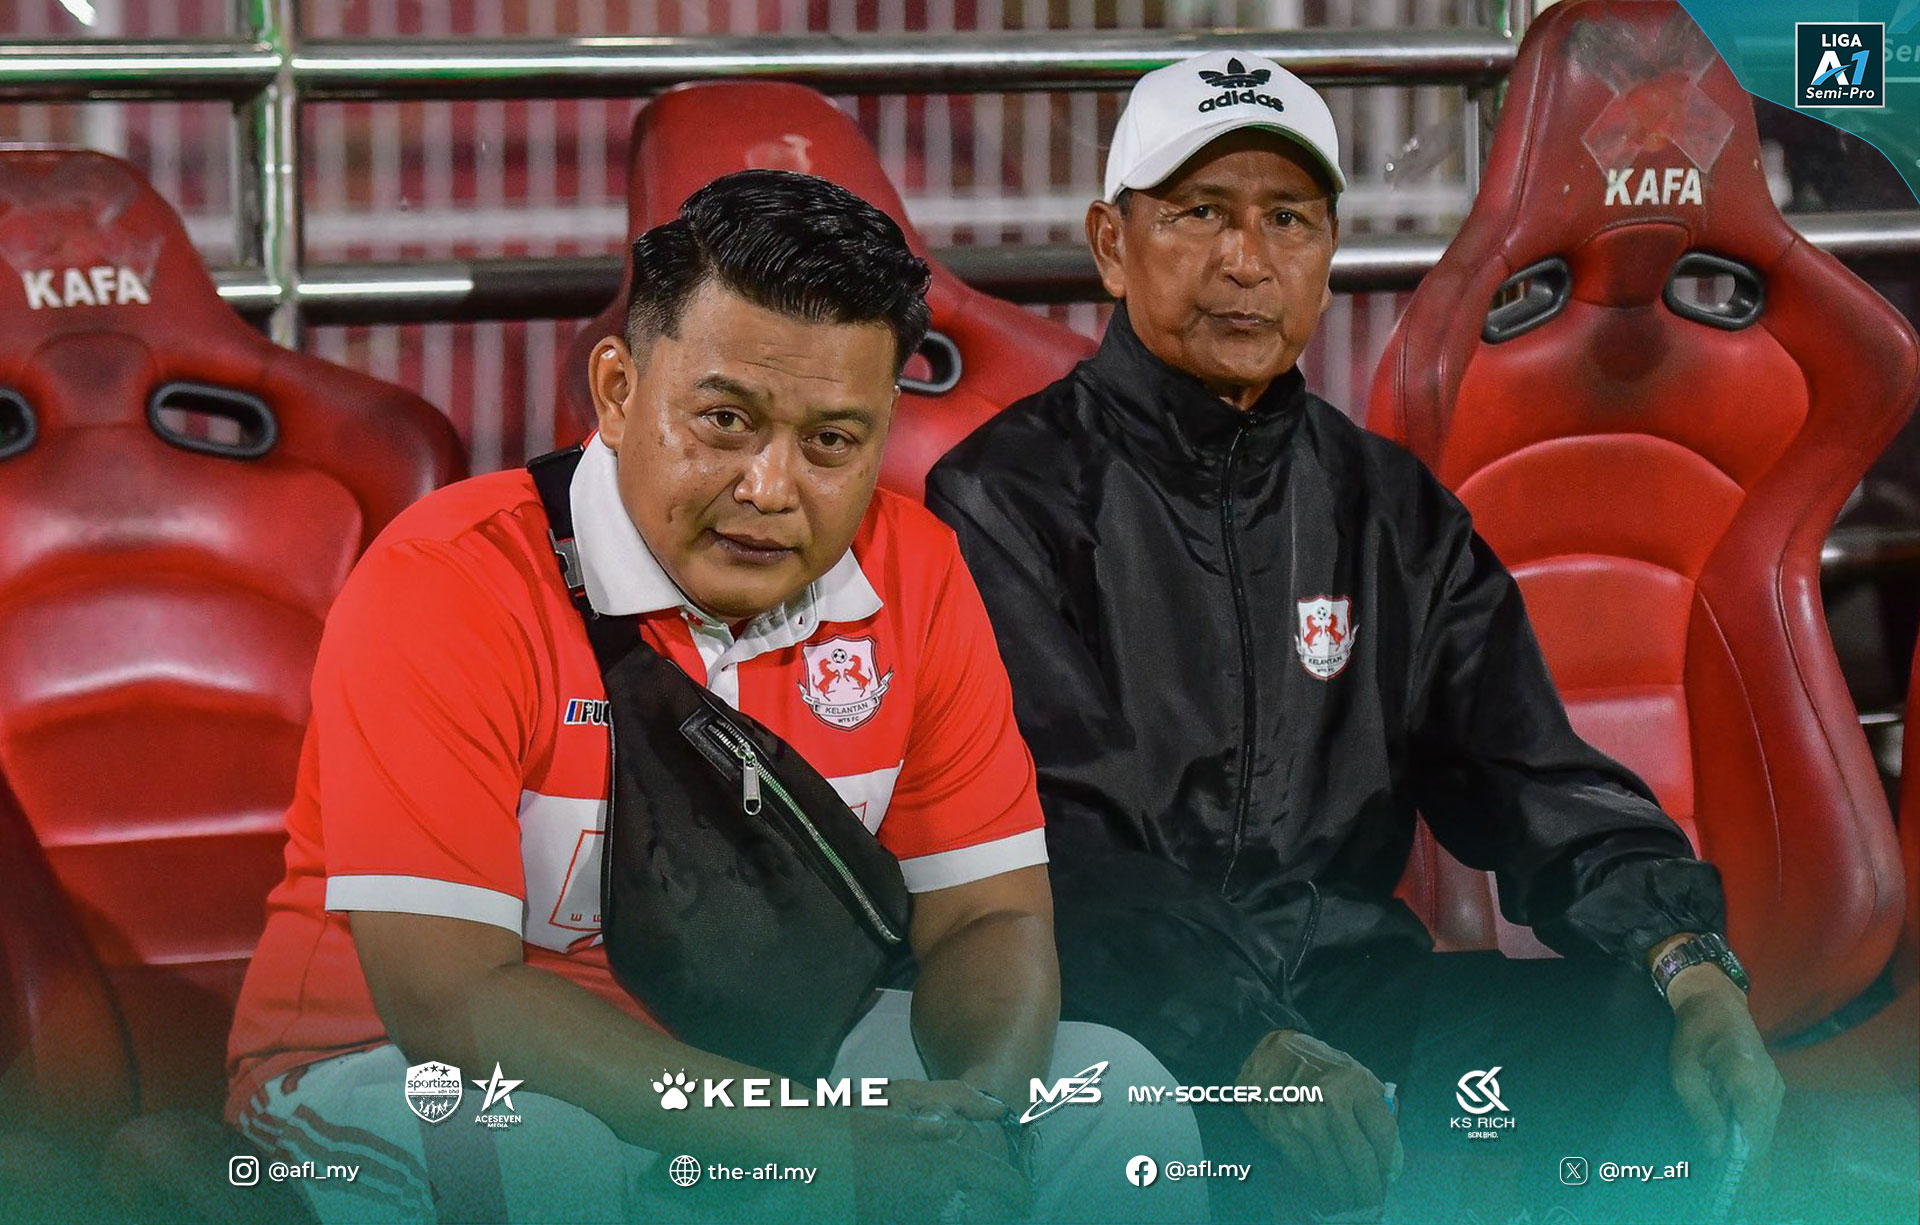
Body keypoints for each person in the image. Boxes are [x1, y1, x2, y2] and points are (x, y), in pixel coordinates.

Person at [226, 169, 1204, 1225]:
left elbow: (989, 915)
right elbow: (449, 998)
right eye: (726, 420)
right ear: (617, 391)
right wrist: (817, 1145)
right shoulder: (447, 581)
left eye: (832, 442)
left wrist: (971, 1125)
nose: (770, 488)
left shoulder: (918, 573)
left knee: (1112, 1096)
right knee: (535, 1157)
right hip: (398, 1063)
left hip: (777, 1056)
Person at [925, 51, 1785, 1224]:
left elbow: (1534, 775)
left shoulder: (1390, 508)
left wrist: (1685, 957)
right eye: (1199, 213)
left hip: (1362, 1017)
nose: (1247, 260)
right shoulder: (1003, 498)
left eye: (1288, 219)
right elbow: (1055, 851)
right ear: (1112, 245)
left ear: (1328, 253)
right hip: (1139, 1031)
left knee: (1643, 1034)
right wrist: (1248, 1039)